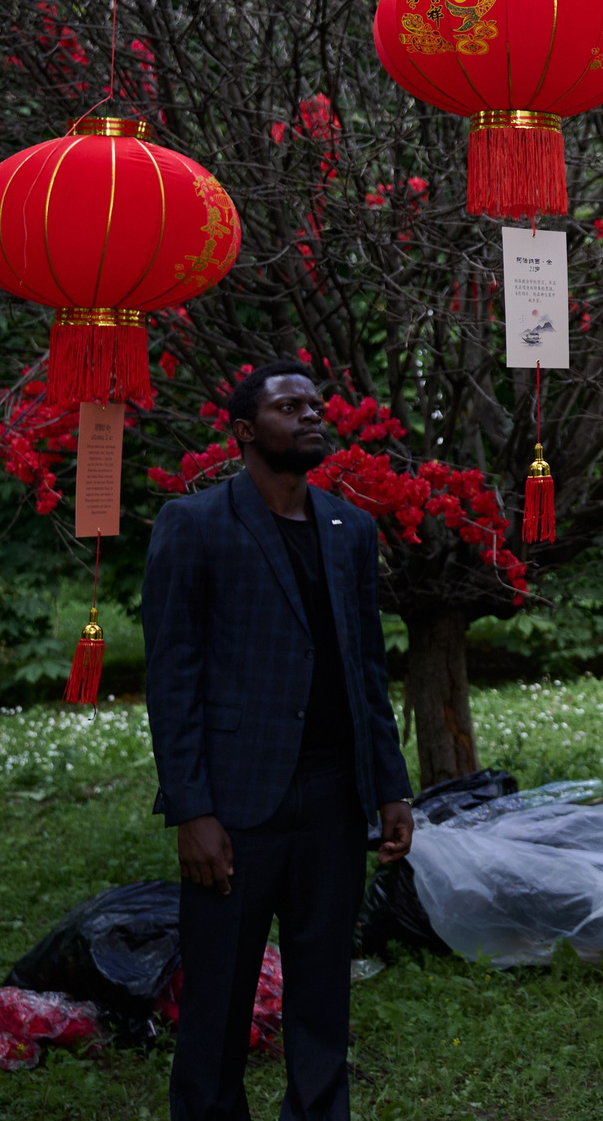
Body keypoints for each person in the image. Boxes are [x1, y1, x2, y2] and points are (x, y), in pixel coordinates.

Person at [141, 363, 415, 1121]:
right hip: (236, 800)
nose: (310, 415)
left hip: (332, 796)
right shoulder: (194, 524)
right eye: (288, 405)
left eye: (316, 405)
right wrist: (191, 808)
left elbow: (366, 668)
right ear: (243, 430)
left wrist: (389, 786)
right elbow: (172, 676)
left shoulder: (348, 528)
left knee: (322, 989)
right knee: (219, 996)